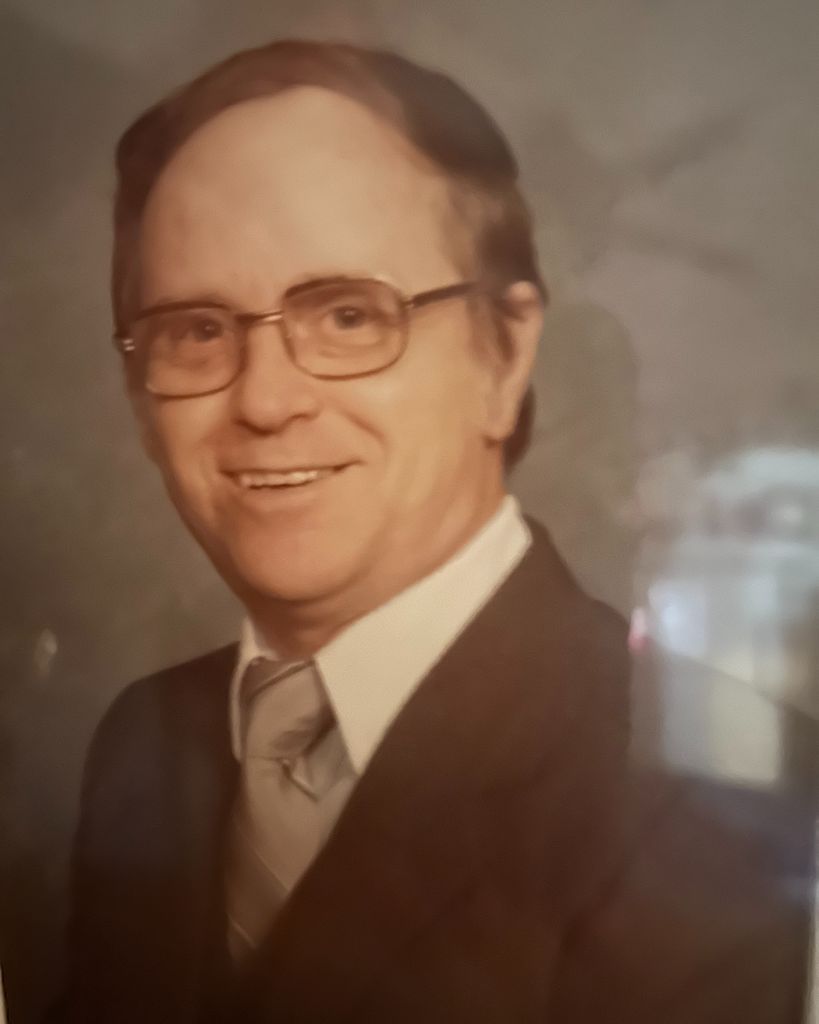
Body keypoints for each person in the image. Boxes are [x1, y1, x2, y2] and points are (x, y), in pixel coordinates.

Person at [50, 40, 815, 1024]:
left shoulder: (715, 808)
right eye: (197, 331)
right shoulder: (147, 742)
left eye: (347, 316)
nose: (266, 401)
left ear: (504, 356)